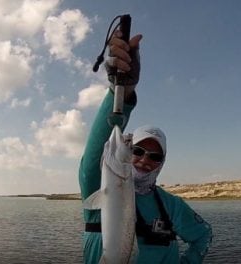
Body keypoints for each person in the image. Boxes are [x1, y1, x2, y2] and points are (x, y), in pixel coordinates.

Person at [79, 30, 212, 263]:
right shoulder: (98, 184)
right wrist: (121, 91)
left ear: (161, 164)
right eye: (137, 150)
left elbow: (203, 236)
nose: (143, 160)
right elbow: (95, 152)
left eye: (155, 156)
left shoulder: (172, 205)